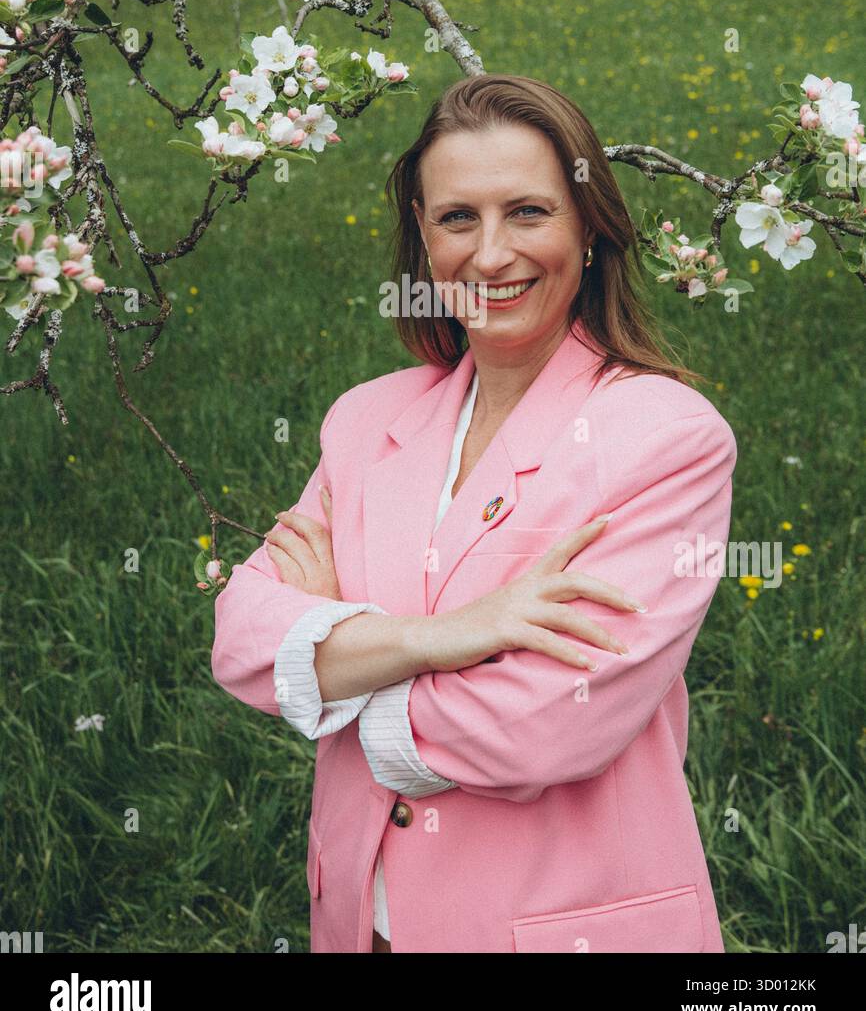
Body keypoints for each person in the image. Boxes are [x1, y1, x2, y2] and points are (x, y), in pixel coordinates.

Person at [211, 73, 737, 954]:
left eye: (528, 212)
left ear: (589, 226)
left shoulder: (665, 439)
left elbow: (546, 726)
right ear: (423, 233)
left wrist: (335, 672)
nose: (491, 255)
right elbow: (242, 639)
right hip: (361, 922)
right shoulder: (367, 419)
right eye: (458, 218)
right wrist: (448, 636)